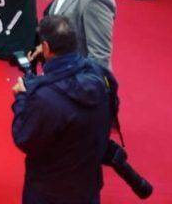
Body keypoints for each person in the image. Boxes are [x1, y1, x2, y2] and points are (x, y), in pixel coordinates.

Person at [11, 16, 113, 204]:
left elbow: (23, 138)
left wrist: (22, 98)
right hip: (88, 185)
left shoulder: (45, 97)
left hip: (48, 190)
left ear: (47, 48)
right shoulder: (99, 76)